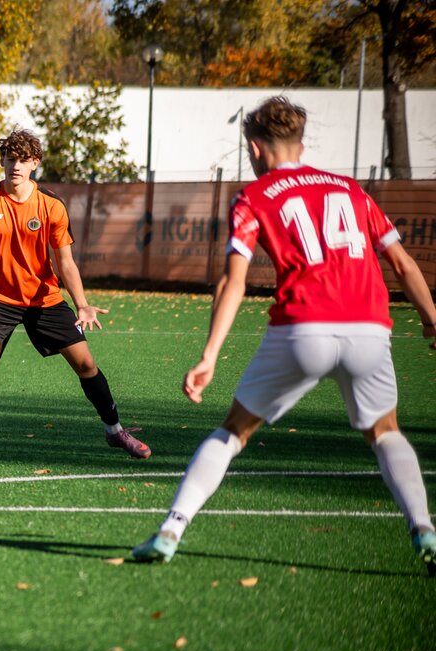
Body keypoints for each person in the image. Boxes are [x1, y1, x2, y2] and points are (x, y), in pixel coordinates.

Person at [132, 97, 436, 573]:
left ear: (255, 148)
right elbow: (402, 264)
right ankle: (423, 528)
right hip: (370, 329)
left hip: (303, 328)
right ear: (300, 145)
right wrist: (432, 317)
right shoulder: (351, 190)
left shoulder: (254, 197)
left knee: (233, 430)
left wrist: (209, 354)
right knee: (385, 432)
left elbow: (233, 281)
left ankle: (171, 529)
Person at [0, 128, 150, 460]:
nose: (16, 166)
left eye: (23, 160)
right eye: (10, 159)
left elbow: (66, 263)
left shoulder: (51, 205)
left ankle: (115, 430)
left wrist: (82, 304)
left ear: (35, 163)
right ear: (2, 161)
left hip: (44, 298)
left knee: (86, 363)